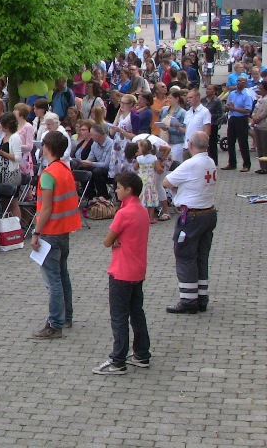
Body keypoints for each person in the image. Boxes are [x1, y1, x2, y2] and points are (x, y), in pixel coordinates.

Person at [92, 172, 152, 375]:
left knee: (119, 317)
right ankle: (142, 353)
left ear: (128, 189)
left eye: (118, 187)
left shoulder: (124, 213)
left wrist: (114, 239)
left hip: (121, 271)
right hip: (138, 269)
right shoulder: (142, 210)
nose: (116, 190)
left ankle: (118, 360)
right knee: (137, 312)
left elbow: (107, 241)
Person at [31, 130, 82, 338]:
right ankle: (66, 316)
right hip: (64, 229)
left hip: (50, 231)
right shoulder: (65, 169)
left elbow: (46, 208)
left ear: (47, 148)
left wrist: (36, 232)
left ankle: (55, 323)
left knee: (53, 280)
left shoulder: (48, 174)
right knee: (62, 275)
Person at [163, 131, 217, 314]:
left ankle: (188, 300)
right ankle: (201, 297)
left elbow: (166, 182)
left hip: (192, 216)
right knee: (201, 256)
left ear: (190, 145)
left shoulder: (191, 163)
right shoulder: (210, 162)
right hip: (208, 213)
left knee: (185, 255)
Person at [222, 76, 254, 172]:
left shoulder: (246, 95)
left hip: (242, 119)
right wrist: (228, 107)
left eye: (241, 81)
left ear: (245, 83)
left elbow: (248, 110)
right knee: (230, 141)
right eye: (238, 81)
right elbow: (228, 106)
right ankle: (232, 163)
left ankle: (246, 164)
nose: (239, 83)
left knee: (243, 142)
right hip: (232, 118)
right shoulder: (232, 93)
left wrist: (234, 108)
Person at [133, 138, 162, 224]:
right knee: (151, 198)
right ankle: (151, 218)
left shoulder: (139, 159)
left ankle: (143, 217)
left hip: (141, 180)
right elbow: (158, 169)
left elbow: (135, 168)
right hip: (151, 181)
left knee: (143, 198)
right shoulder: (154, 158)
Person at [202, 84, 224, 165]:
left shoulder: (217, 101)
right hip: (204, 124)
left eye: (210, 89)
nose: (207, 90)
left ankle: (214, 162)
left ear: (214, 91)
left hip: (213, 124)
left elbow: (221, 114)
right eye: (207, 89)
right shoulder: (203, 100)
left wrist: (213, 118)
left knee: (212, 144)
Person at [251, 80, 267, 174]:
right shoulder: (261, 98)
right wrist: (253, 117)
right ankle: (262, 166)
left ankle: (266, 167)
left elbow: (264, 112)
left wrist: (258, 118)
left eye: (261, 89)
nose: (260, 90)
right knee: (259, 147)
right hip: (257, 125)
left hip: (264, 126)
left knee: (264, 147)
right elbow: (255, 109)